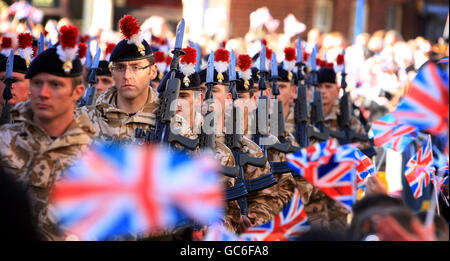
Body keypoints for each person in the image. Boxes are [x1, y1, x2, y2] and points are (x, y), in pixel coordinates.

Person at [0, 24, 95, 240]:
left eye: (55, 85)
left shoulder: (95, 155)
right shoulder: (4, 140)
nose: (43, 93)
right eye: (37, 83)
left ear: (78, 91)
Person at [76, 15, 158, 144]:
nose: (127, 75)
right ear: (112, 72)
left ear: (152, 72)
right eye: (120, 68)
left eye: (136, 67)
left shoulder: (168, 120)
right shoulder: (85, 117)